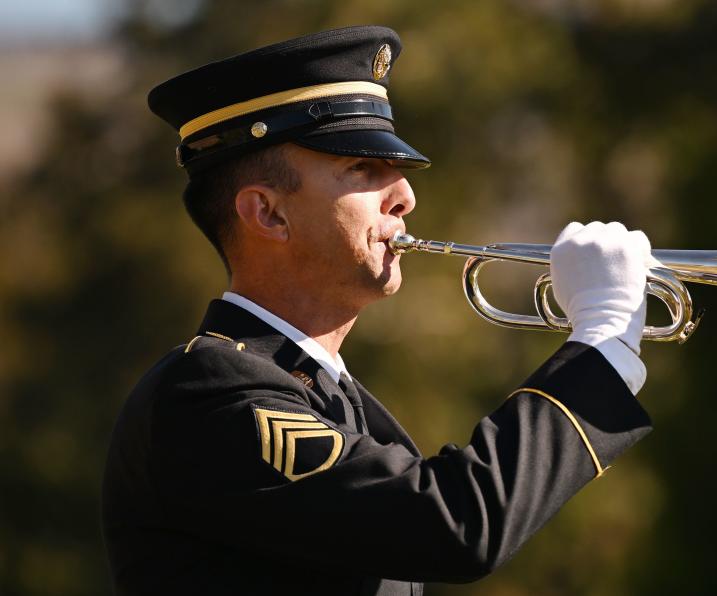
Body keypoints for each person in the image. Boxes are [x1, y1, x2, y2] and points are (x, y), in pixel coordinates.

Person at [102, 26, 656, 595]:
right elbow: (452, 525)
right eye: (362, 170)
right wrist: (601, 341)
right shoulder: (210, 392)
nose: (405, 197)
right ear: (267, 214)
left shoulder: (331, 396)